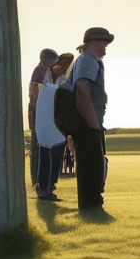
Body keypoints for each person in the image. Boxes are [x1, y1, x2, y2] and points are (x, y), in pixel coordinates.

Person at [64, 27, 114, 210]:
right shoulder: (87, 60)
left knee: (92, 165)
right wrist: (93, 125)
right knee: (92, 166)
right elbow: (82, 92)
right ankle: (91, 206)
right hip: (87, 124)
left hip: (89, 122)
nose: (106, 46)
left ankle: (91, 204)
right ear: (93, 42)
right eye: (104, 42)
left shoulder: (89, 61)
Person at [34, 52, 74, 199]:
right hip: (53, 125)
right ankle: (47, 187)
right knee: (54, 157)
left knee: (46, 156)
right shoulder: (55, 87)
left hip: (43, 124)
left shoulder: (46, 86)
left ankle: (44, 187)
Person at [28, 49, 59, 187]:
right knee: (40, 148)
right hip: (38, 113)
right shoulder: (40, 71)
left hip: (43, 112)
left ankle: (43, 182)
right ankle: (39, 182)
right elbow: (35, 94)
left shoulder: (47, 70)